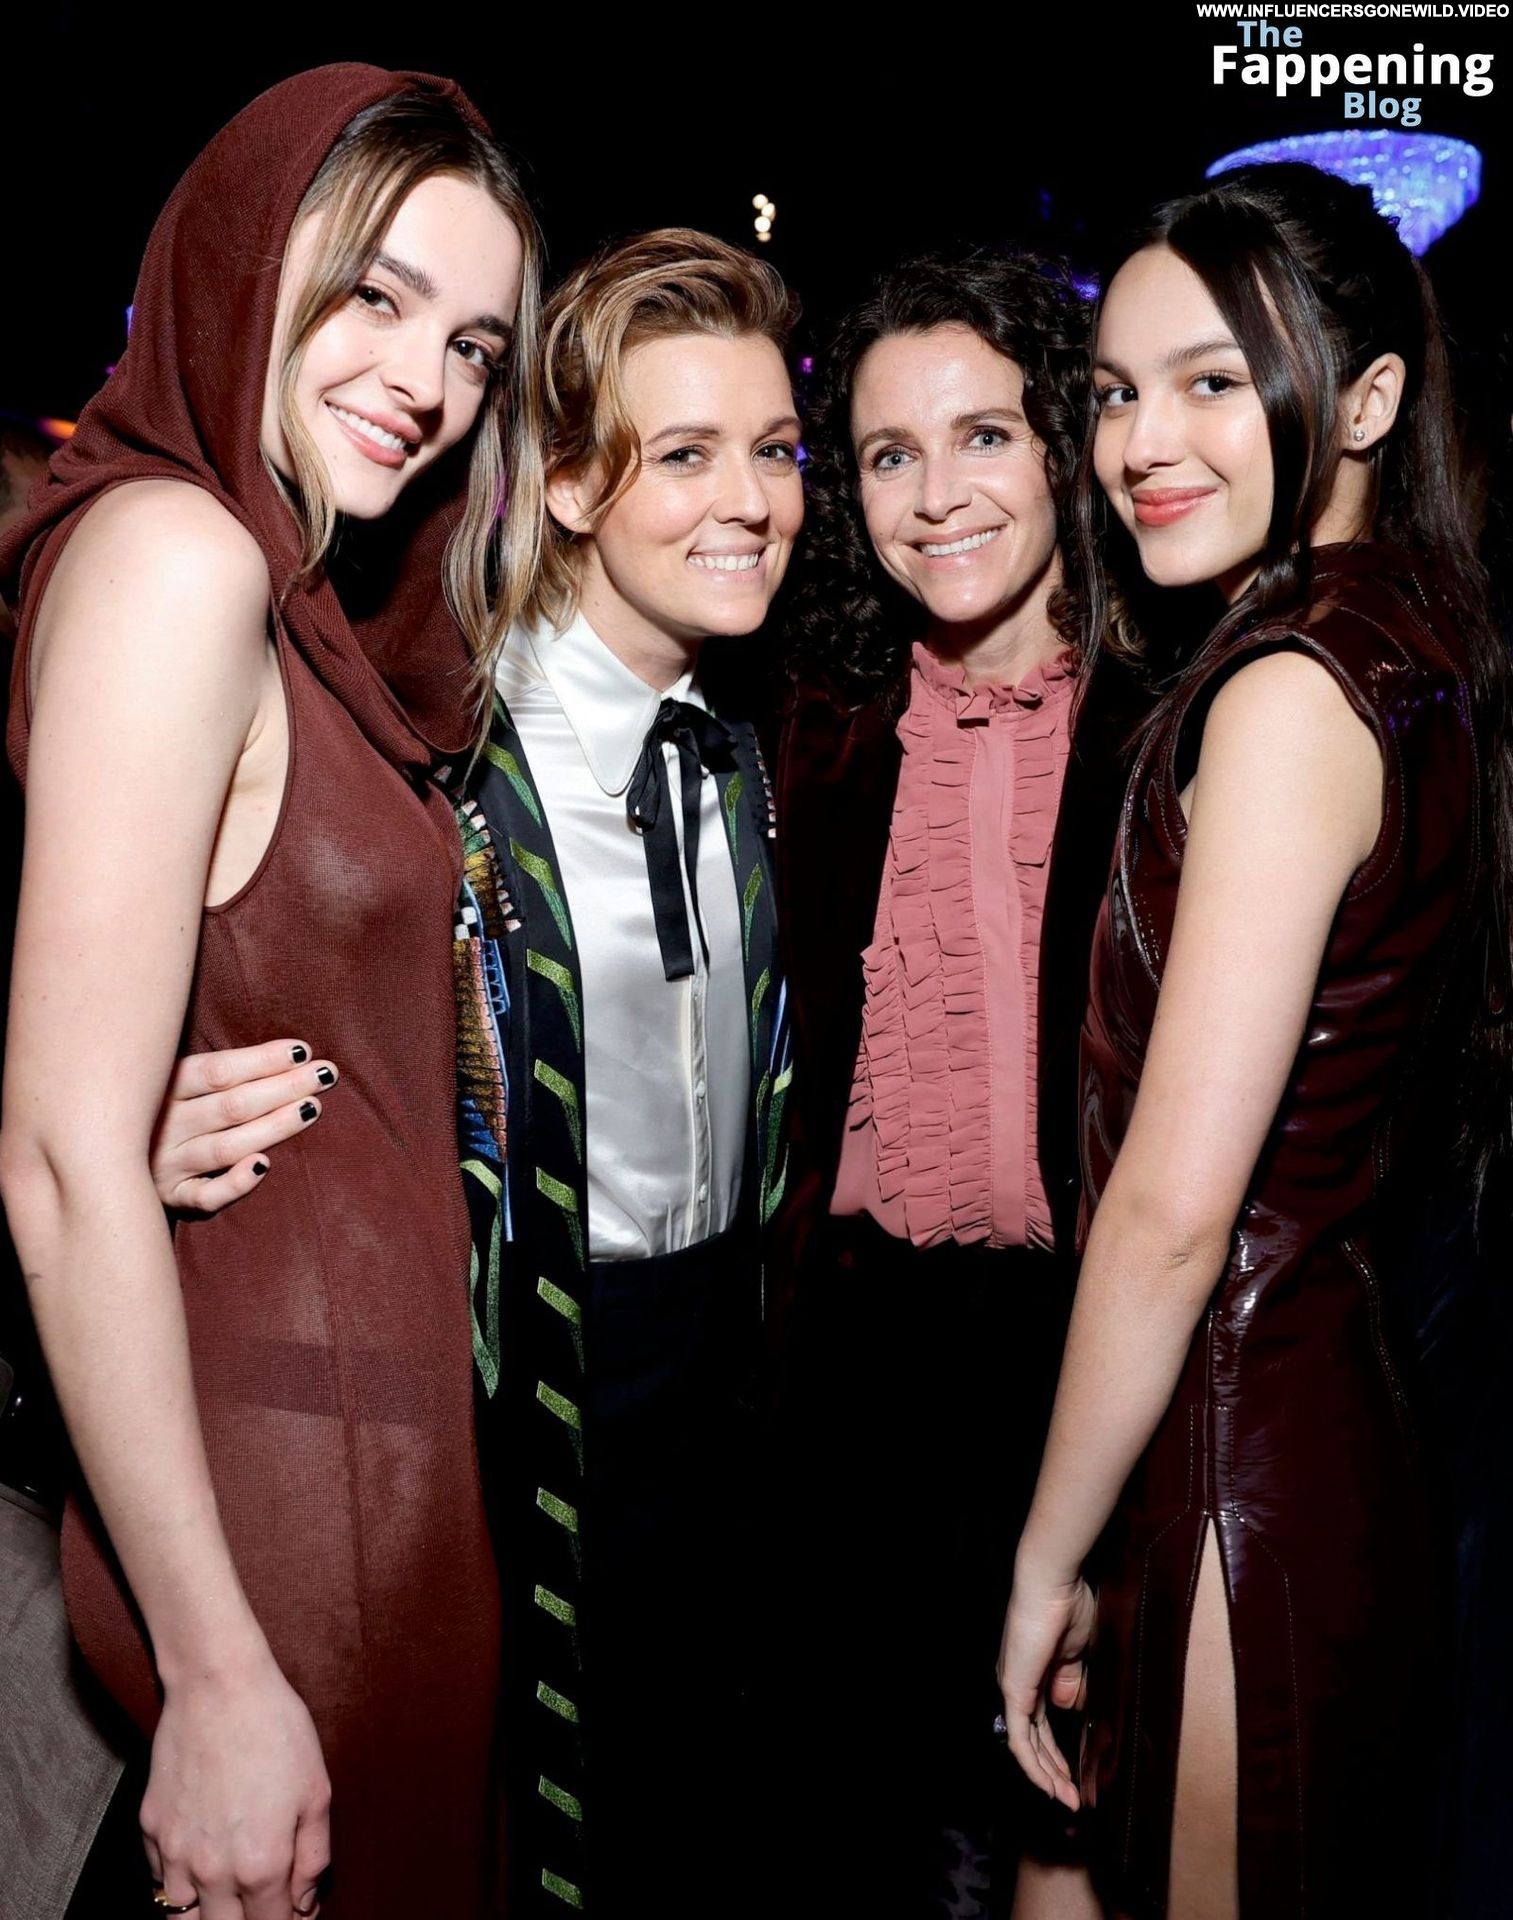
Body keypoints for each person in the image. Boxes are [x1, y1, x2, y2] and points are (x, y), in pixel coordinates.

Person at [0, 63, 542, 1920]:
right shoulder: (183, 557)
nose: (427, 379)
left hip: (355, 1446)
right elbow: (60, 1158)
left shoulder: (278, 589)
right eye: (375, 295)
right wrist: (218, 1667)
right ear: (245, 258)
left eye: (472, 344)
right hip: (290, 1492)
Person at [997, 162, 1504, 1920]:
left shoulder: (1292, 692)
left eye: (1212, 381)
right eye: (1114, 391)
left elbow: (1167, 1214)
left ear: (1364, 401)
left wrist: (1041, 1557)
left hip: (1240, 1447)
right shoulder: (1403, 638)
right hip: (1288, 1420)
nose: (1143, 443)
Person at [770, 249, 1144, 1919]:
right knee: (865, 1842)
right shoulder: (810, 721)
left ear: (1062, 441)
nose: (936, 498)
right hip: (853, 1369)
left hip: (1103, 1361)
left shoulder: (1168, 719)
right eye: (888, 454)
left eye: (983, 435)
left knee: (1086, 1826)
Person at [456, 228, 800, 1916]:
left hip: (726, 1396)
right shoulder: (451, 766)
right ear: (573, 483)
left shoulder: (743, 749)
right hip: (519, 1409)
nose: (751, 501)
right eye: (684, 455)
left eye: (774, 449)